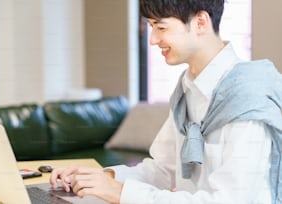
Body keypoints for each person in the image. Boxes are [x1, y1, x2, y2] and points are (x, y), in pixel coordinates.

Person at [50, 0, 282, 203]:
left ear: (200, 22)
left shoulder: (249, 97)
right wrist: (102, 179)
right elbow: (163, 169)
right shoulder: (187, 88)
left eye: (161, 27)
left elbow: (228, 201)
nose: (152, 39)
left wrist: (121, 193)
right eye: (151, 27)